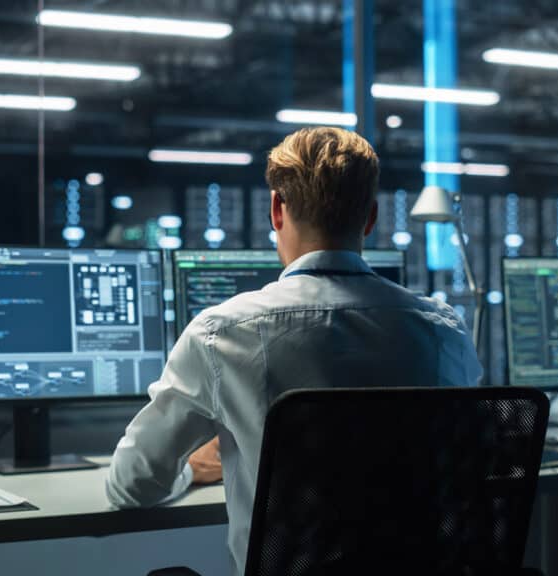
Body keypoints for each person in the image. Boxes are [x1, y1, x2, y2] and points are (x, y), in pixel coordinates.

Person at [106, 127, 482, 575]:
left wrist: (197, 470)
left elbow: (132, 486)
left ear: (276, 210)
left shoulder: (220, 332)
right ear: (371, 218)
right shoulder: (443, 330)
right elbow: (470, 460)